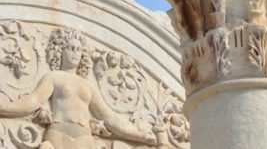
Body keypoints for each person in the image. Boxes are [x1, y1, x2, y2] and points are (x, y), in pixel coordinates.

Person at [0, 27, 156, 148]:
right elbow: (32, 101)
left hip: (84, 138)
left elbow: (109, 118)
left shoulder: (88, 86)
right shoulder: (54, 77)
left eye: (79, 49)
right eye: (71, 48)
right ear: (60, 50)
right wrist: (5, 108)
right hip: (58, 134)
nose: (75, 53)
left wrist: (140, 135)